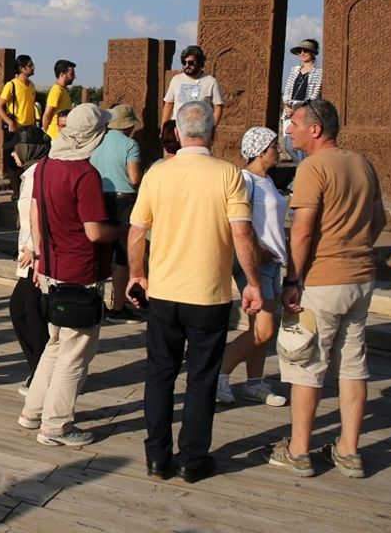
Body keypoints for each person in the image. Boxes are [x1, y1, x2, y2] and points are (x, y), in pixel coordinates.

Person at [127, 100, 262, 483]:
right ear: (212, 134)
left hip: (165, 292)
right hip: (209, 294)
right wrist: (252, 282)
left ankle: (156, 456)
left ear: (179, 134)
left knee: (160, 375)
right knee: (201, 378)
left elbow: (137, 231)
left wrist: (138, 274)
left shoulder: (157, 174)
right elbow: (242, 232)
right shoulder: (228, 174)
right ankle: (191, 459)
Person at [267, 100, 385, 479]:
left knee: (306, 364)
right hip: (361, 276)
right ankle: (349, 451)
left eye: (295, 123)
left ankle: (299, 450)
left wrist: (292, 278)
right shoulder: (361, 163)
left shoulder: (313, 167)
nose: (290, 128)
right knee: (353, 365)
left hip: (322, 278)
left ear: (316, 130)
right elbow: (380, 218)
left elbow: (301, 230)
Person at [20, 104, 121, 447]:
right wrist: (124, 231)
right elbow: (94, 232)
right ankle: (56, 425)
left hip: (50, 269)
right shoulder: (84, 174)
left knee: (55, 344)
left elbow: (35, 215)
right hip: (80, 272)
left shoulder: (45, 166)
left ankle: (32, 411)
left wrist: (39, 259)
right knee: (75, 354)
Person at [216, 127, 289, 407]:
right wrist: (257, 250)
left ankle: (254, 382)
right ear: (259, 151)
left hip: (272, 262)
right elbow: (236, 221)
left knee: (260, 327)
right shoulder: (245, 180)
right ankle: (221, 371)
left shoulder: (267, 180)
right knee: (265, 329)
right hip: (256, 263)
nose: (278, 151)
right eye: (273, 147)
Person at [89, 104, 143, 319]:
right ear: (129, 125)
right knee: (122, 255)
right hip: (123, 201)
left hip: (98, 198)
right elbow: (134, 178)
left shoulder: (97, 142)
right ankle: (117, 306)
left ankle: (96, 301)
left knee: (101, 252)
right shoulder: (131, 145)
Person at [8, 126, 50, 393]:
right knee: (23, 311)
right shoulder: (30, 173)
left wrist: (33, 248)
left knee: (29, 313)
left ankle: (41, 373)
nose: (13, 153)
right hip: (28, 255)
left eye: (17, 148)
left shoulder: (39, 174)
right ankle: (38, 369)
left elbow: (41, 214)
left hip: (36, 257)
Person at [281, 39, 322, 163]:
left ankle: (303, 170)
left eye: (306, 51)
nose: (302, 53)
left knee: (302, 145)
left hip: (306, 110)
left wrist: (298, 109)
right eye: (300, 51)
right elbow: (287, 89)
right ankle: (303, 167)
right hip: (289, 111)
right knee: (289, 146)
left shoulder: (319, 72)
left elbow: (315, 94)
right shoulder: (294, 70)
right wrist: (286, 105)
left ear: (313, 53)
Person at [161, 46, 224, 126]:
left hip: (200, 129)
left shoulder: (211, 81)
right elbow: (169, 103)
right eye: (184, 62)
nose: (187, 65)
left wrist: (212, 128)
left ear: (200, 62)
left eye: (191, 63)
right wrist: (164, 127)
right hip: (178, 129)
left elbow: (218, 107)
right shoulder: (176, 80)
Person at [42, 60, 77, 141]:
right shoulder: (57, 90)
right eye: (71, 74)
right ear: (62, 75)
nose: (74, 77)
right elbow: (47, 114)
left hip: (61, 135)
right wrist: (44, 132)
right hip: (55, 136)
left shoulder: (63, 90)